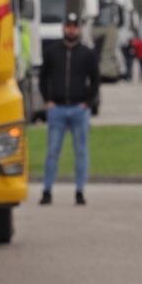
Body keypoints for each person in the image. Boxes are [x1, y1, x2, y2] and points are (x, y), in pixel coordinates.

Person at [38, 11, 99, 206]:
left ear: (79, 30)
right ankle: (47, 191)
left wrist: (87, 102)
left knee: (81, 151)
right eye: (68, 26)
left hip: (79, 108)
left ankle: (80, 191)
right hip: (57, 109)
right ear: (64, 28)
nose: (71, 30)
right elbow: (43, 77)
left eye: (74, 27)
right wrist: (48, 100)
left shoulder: (86, 53)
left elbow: (95, 80)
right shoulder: (53, 51)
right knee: (52, 151)